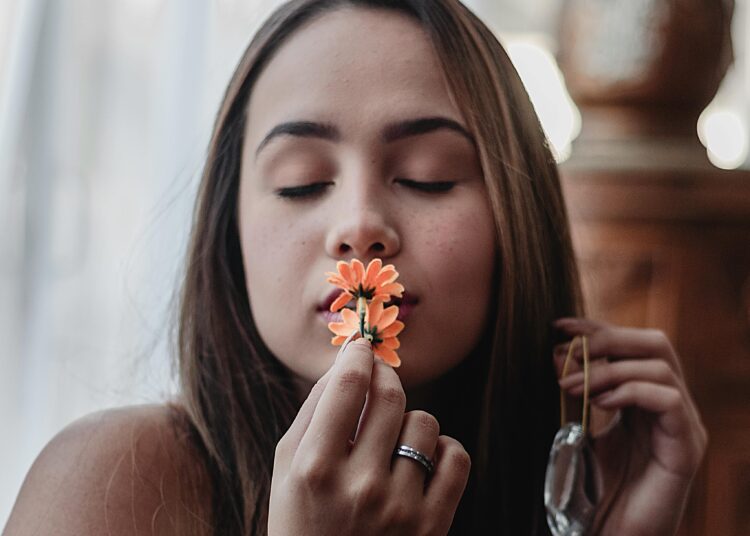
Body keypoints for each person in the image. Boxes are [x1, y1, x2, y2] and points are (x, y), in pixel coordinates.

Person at [4, 0, 707, 534]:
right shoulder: (110, 484)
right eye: (302, 183)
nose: (360, 226)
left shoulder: (578, 488)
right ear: (230, 235)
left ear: (516, 223)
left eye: (429, 177)